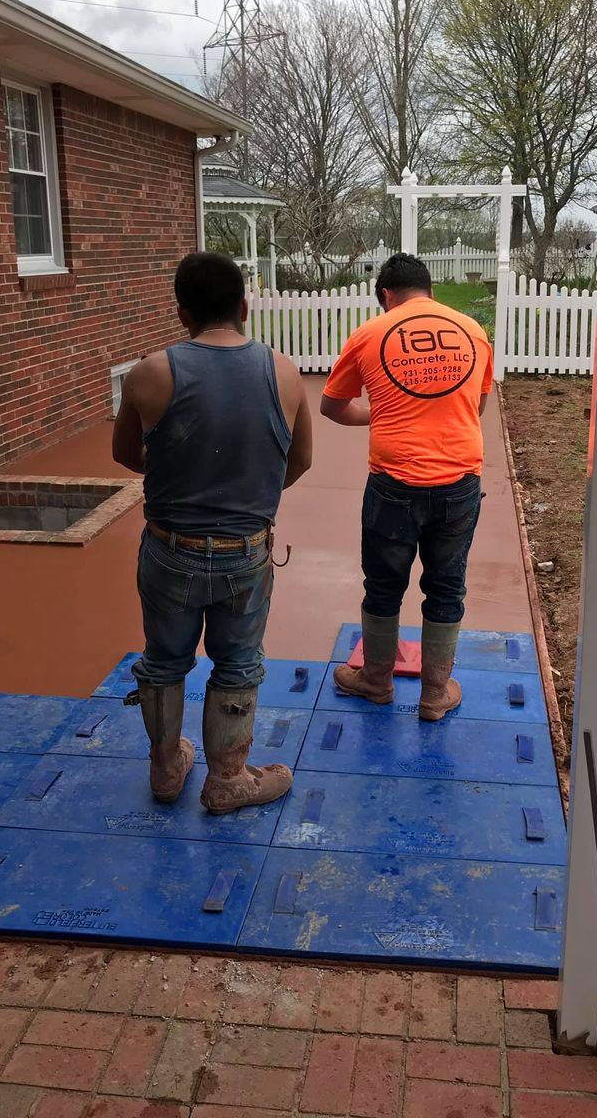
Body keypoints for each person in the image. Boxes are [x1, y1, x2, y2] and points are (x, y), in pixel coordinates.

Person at [113, 251, 312, 811]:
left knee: (164, 658)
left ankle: (166, 767)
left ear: (182, 313)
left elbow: (128, 455)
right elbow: (297, 461)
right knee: (238, 663)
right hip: (243, 553)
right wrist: (250, 499)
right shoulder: (283, 371)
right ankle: (228, 779)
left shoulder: (149, 372)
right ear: (244, 307)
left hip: (168, 549)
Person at [320, 252, 493, 721]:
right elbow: (474, 406)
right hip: (458, 481)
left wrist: (384, 414)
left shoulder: (371, 334)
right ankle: (435, 694)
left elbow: (332, 406)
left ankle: (376, 682)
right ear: (431, 290)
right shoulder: (473, 332)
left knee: (382, 585)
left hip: (394, 483)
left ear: (385, 296)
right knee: (446, 586)